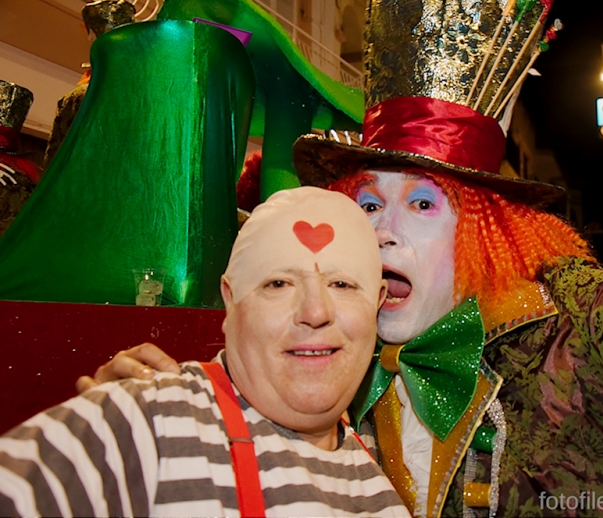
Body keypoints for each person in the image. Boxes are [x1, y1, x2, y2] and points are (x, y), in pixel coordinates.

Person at [81, 0, 603, 516]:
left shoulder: (578, 324)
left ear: (485, 227)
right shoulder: (335, 345)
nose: (382, 232)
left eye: (422, 203)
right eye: (368, 204)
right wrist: (179, 399)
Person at [1, 187, 410, 517]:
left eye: (342, 285)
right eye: (278, 284)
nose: (315, 312)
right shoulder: (153, 420)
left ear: (376, 303)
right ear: (230, 302)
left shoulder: (379, 465)